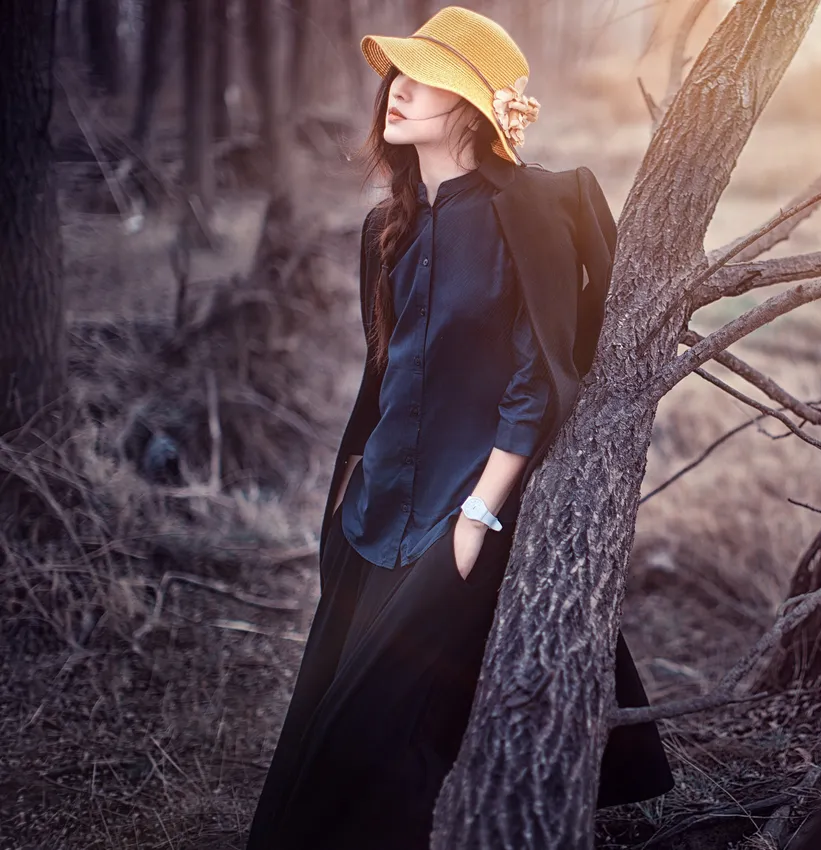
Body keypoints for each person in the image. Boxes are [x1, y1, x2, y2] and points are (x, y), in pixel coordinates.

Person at [245, 8, 675, 848]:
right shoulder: (386, 227)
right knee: (323, 730)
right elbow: (388, 375)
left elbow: (535, 377)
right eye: (395, 75)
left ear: (475, 107)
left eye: (424, 79)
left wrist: (480, 513)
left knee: (381, 726)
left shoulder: (534, 208)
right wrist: (345, 496)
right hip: (371, 519)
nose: (396, 90)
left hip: (465, 515)